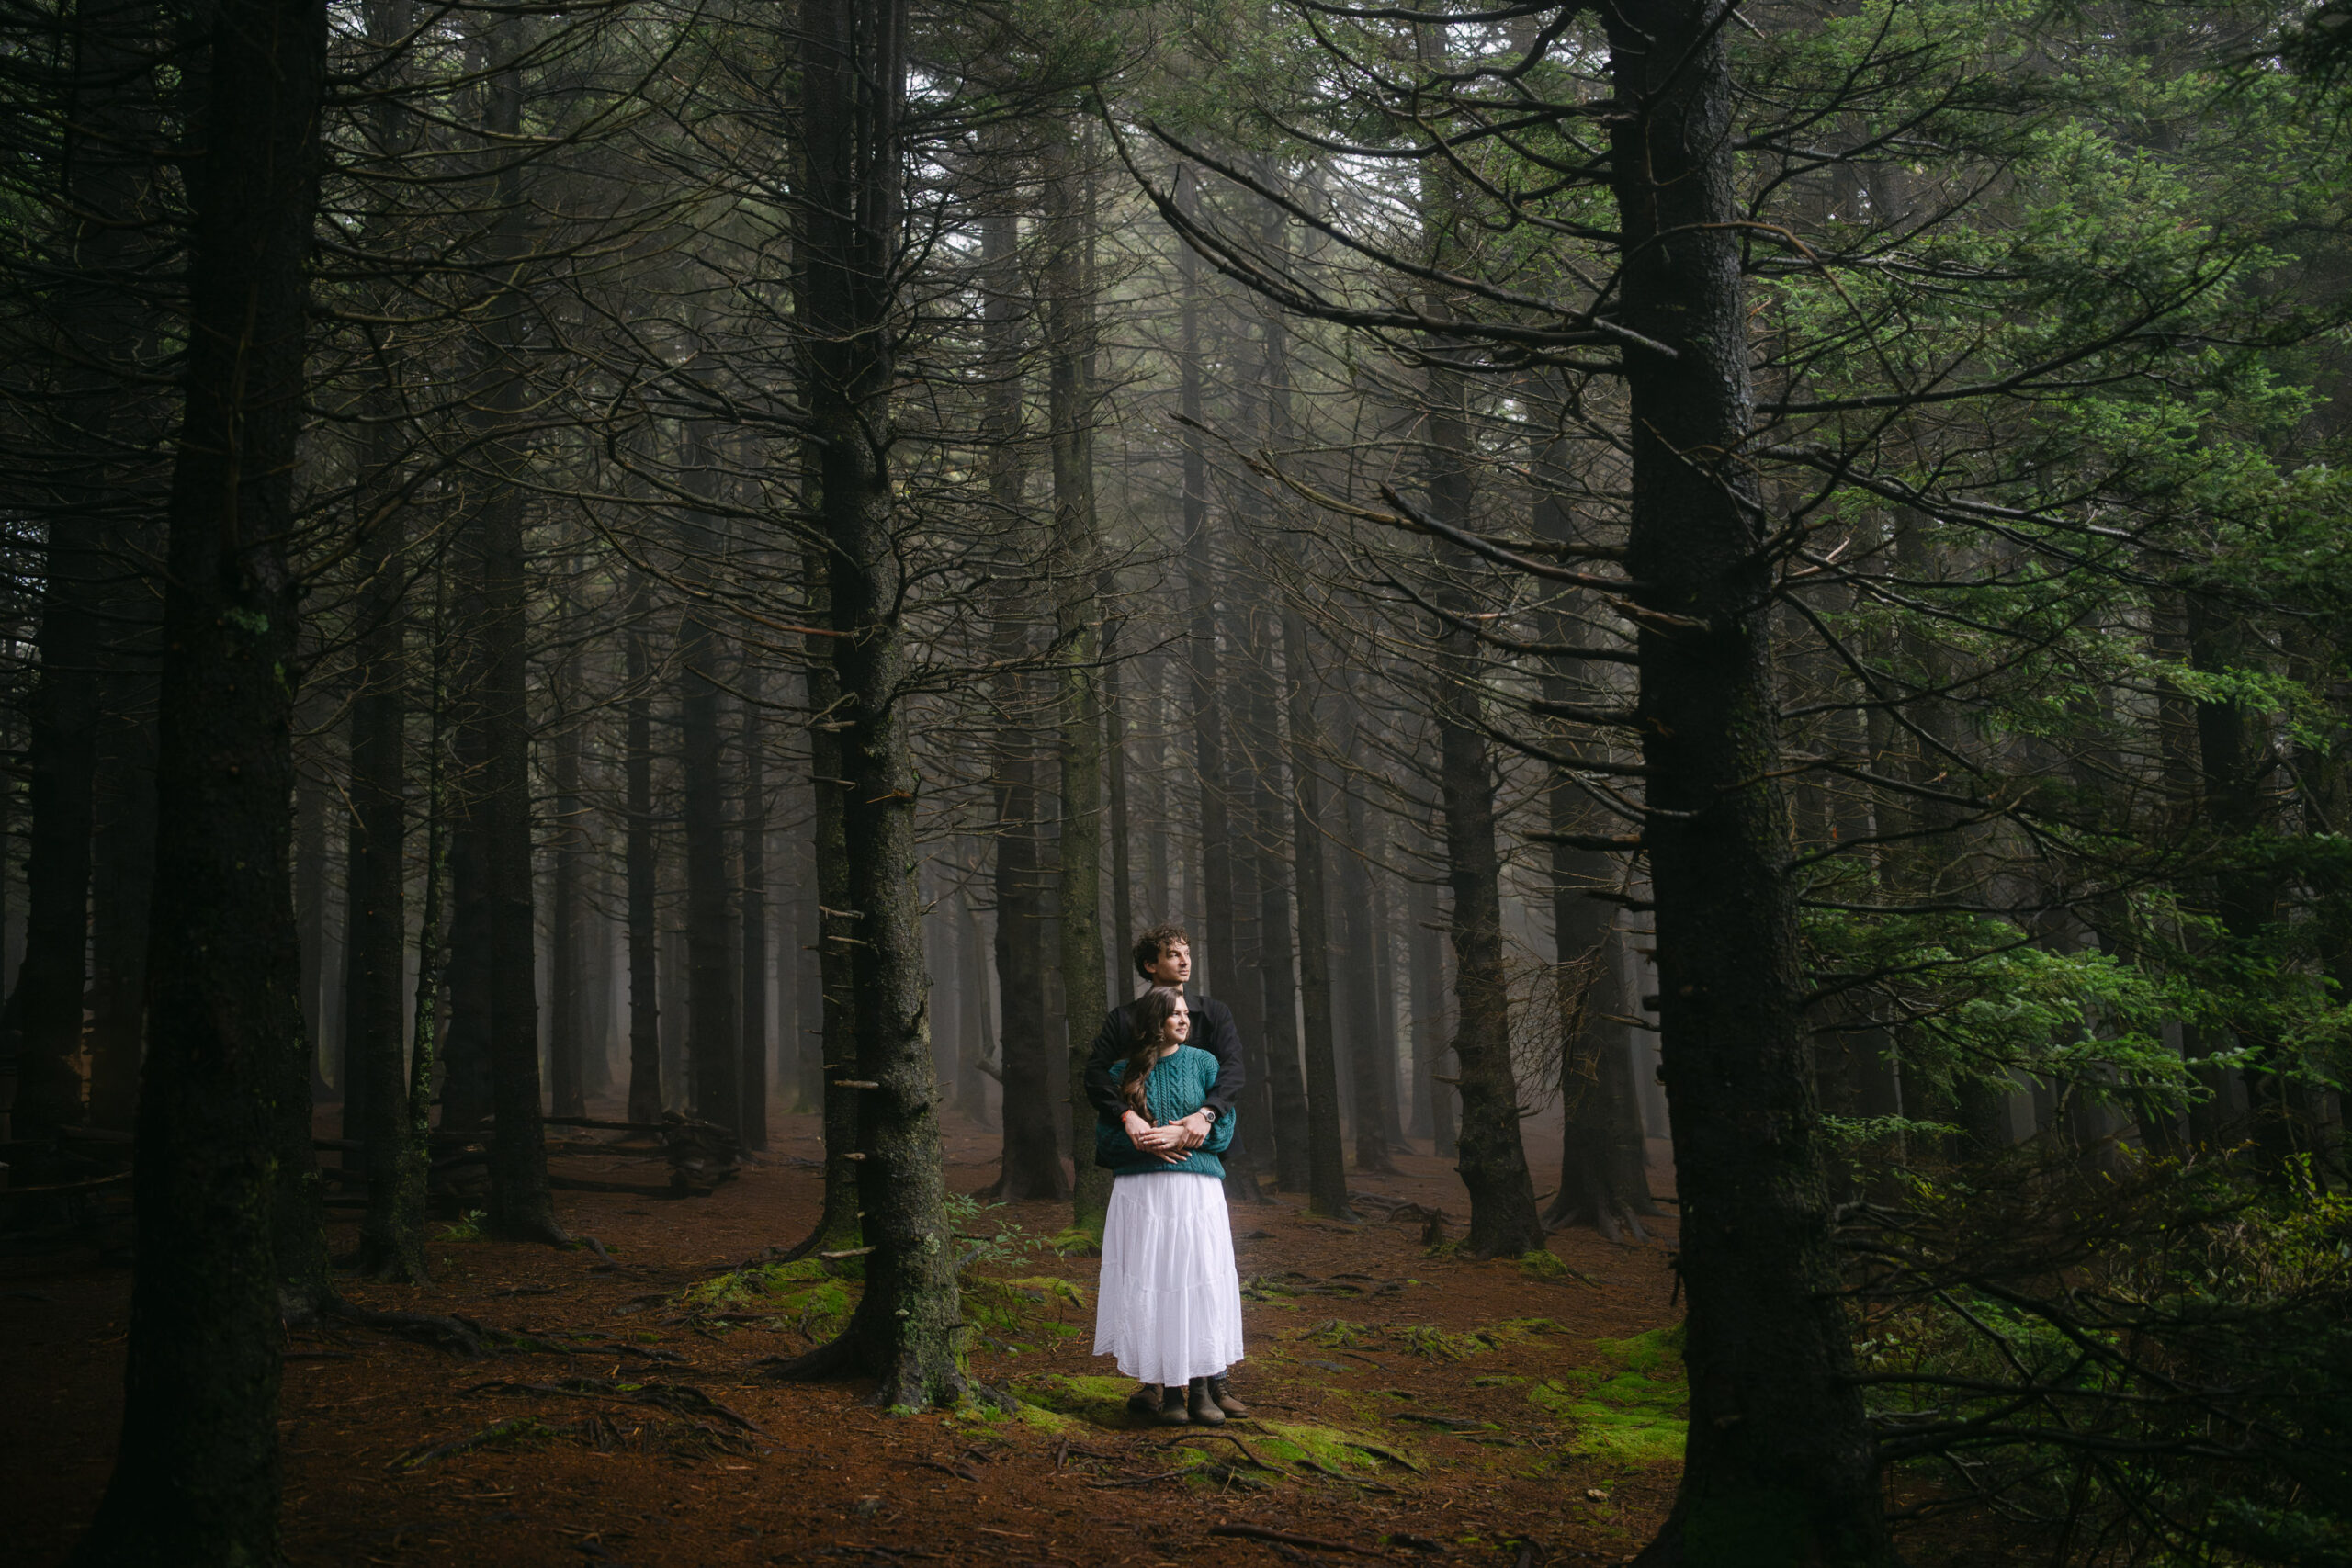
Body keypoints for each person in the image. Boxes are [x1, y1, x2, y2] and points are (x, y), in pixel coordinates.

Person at [1082, 923, 1250, 1417]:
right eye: (1173, 954)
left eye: (1186, 952)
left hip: (1197, 1157)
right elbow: (1098, 1074)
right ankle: (1156, 1381)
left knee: (1197, 1268)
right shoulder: (1124, 1020)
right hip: (1142, 1161)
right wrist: (1130, 1119)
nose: (1184, 960)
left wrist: (1203, 1118)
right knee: (1153, 1269)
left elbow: (1231, 1072)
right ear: (1149, 965)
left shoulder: (1212, 1015)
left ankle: (1212, 1382)